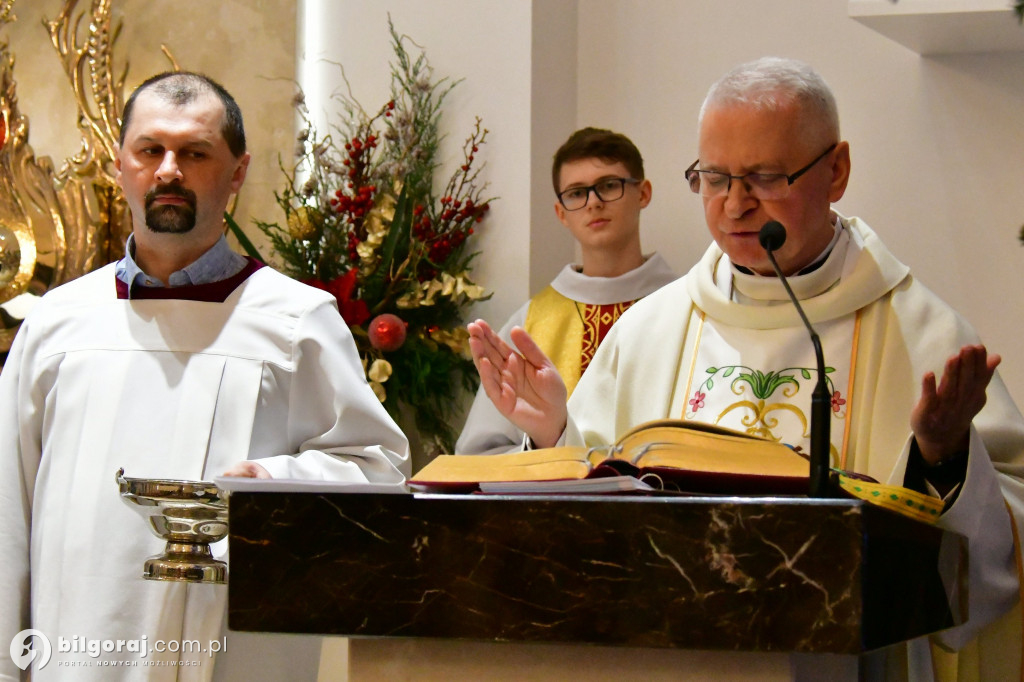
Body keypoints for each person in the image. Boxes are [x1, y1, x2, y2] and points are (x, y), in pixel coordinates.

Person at [468, 57, 1024, 679]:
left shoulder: (924, 335)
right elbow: (597, 516)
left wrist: (945, 456)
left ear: (836, 170)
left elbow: (1002, 551)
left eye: (764, 177)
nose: (734, 205)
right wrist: (555, 433)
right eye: (713, 178)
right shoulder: (652, 330)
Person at [0, 72, 409, 681]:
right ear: (119, 166)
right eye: (150, 150)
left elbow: (378, 468)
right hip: (73, 649)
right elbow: (10, 508)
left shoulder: (297, 322)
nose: (169, 170)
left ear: (237, 172)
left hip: (232, 654)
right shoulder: (57, 322)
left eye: (195, 153)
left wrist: (274, 479)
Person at [455, 127, 676, 454]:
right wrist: (544, 443)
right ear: (561, 213)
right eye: (576, 193)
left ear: (643, 193)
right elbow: (480, 455)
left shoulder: (688, 306)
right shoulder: (530, 322)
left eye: (609, 186)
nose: (594, 203)